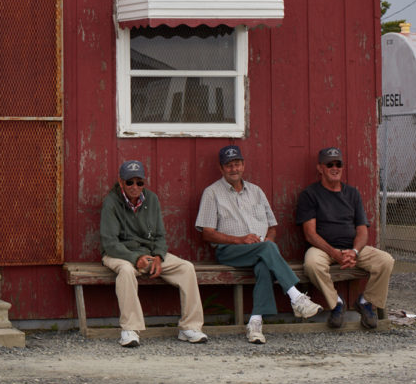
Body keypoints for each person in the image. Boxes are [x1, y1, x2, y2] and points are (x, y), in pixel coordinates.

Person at [195, 144, 322, 344]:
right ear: (221, 168)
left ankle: (255, 323)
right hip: (230, 251)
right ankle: (296, 297)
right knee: (267, 251)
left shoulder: (256, 191)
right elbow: (208, 235)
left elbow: (272, 227)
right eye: (229, 165)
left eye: (237, 164)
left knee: (264, 264)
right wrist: (240, 239)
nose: (234, 169)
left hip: (260, 250)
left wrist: (268, 242)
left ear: (243, 165)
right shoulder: (212, 193)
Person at [100, 160, 208, 347]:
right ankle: (130, 330)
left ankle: (189, 327)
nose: (135, 187)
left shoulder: (152, 199)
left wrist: (158, 256)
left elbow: (160, 236)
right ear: (120, 181)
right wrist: (135, 258)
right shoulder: (111, 202)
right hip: (119, 254)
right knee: (125, 272)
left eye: (139, 182)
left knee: (186, 268)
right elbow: (110, 243)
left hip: (148, 254)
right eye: (130, 182)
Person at [296, 146, 394, 330]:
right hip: (324, 249)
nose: (335, 168)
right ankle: (336, 304)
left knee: (385, 261)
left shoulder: (353, 193)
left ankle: (366, 302)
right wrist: (334, 253)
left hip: (352, 248)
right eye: (329, 164)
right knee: (311, 264)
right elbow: (310, 234)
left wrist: (355, 252)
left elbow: (362, 231)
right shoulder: (310, 194)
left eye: (338, 164)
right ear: (320, 168)